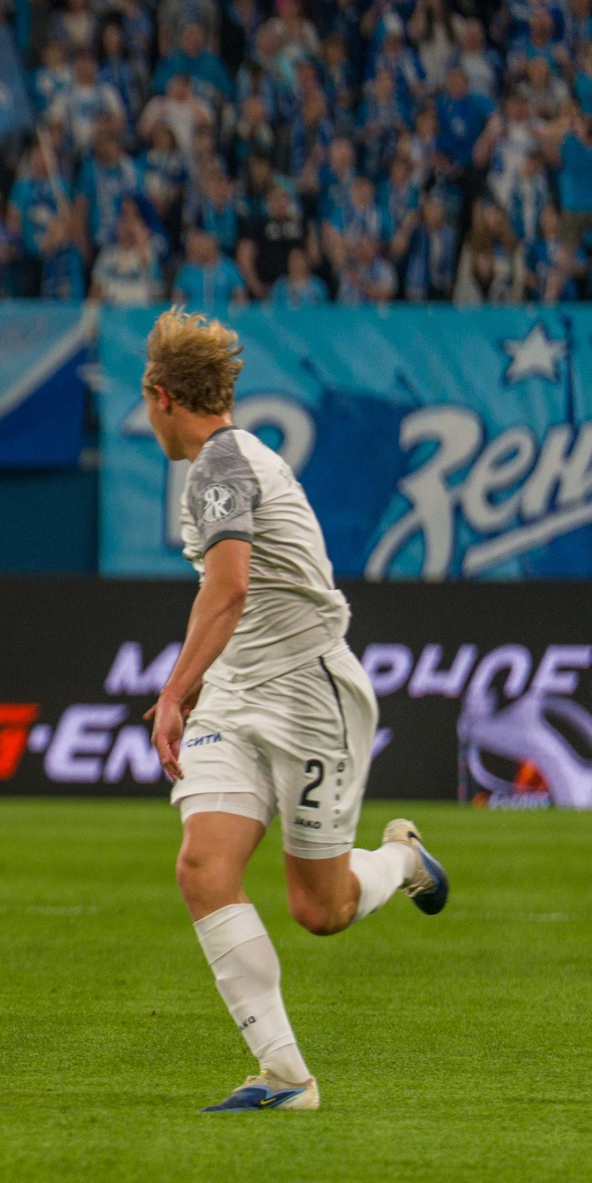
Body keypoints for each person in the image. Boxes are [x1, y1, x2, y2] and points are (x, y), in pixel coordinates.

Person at [136, 309, 449, 1114]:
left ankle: (402, 863)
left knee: (322, 908)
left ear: (161, 396)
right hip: (239, 693)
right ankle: (285, 1076)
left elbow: (233, 587)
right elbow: (226, 596)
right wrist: (200, 685)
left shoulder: (222, 465)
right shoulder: (223, 462)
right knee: (203, 868)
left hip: (311, 696)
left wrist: (171, 692)